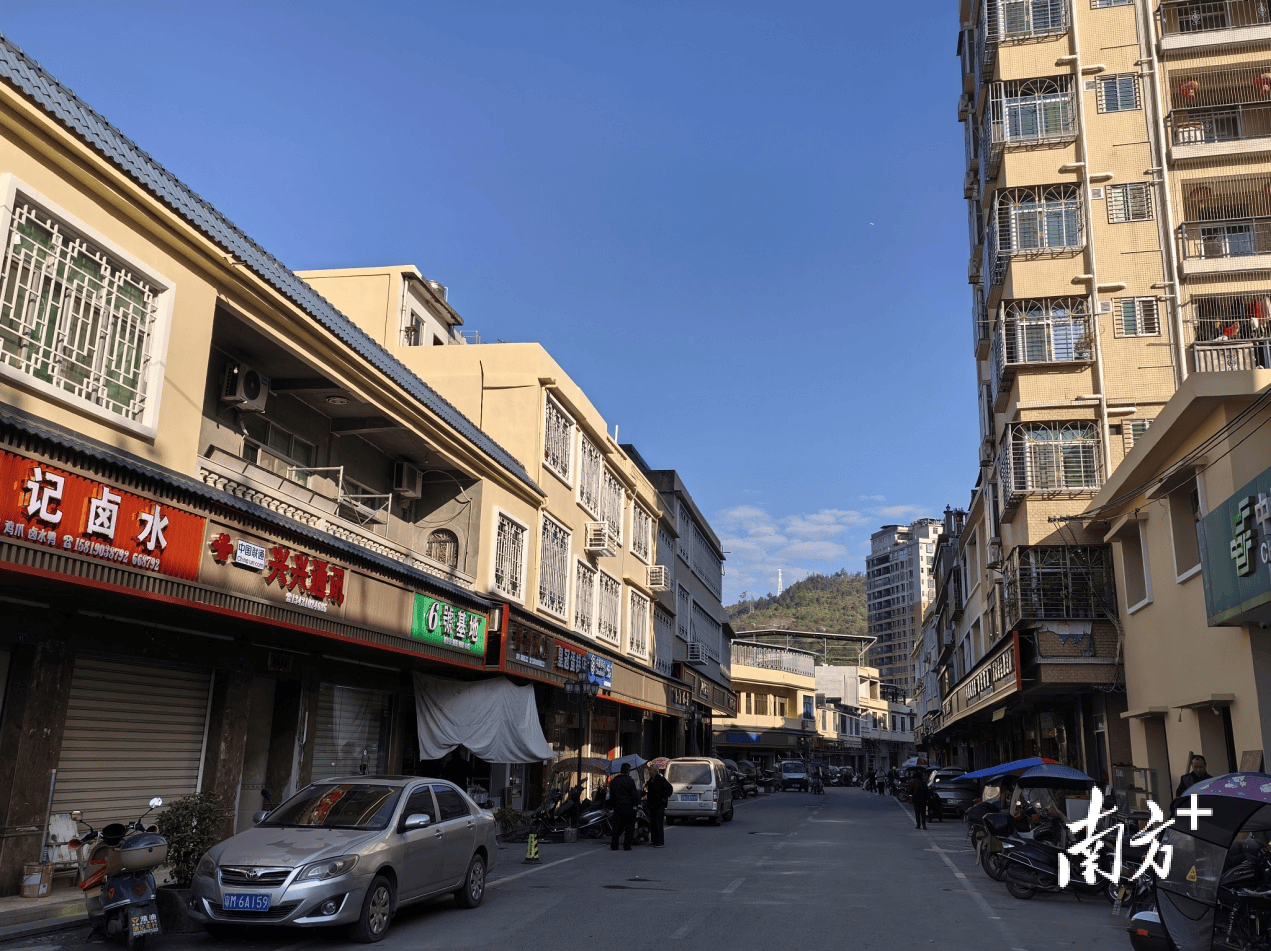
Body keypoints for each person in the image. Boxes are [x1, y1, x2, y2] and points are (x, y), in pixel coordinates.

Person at [610, 762, 639, 851]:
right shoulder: (630, 781)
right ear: (628, 771)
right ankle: (627, 846)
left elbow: (612, 795)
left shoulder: (614, 781)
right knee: (629, 827)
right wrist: (636, 803)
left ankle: (614, 845)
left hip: (617, 807)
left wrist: (613, 805)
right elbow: (634, 794)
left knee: (616, 827)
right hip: (628, 807)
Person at [644, 764, 673, 848]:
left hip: (659, 805)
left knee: (658, 823)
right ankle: (654, 840)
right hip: (652, 805)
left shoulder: (661, 780)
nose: (649, 772)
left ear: (654, 771)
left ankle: (660, 841)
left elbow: (669, 789)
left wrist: (664, 798)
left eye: (650, 770)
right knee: (653, 823)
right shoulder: (651, 780)